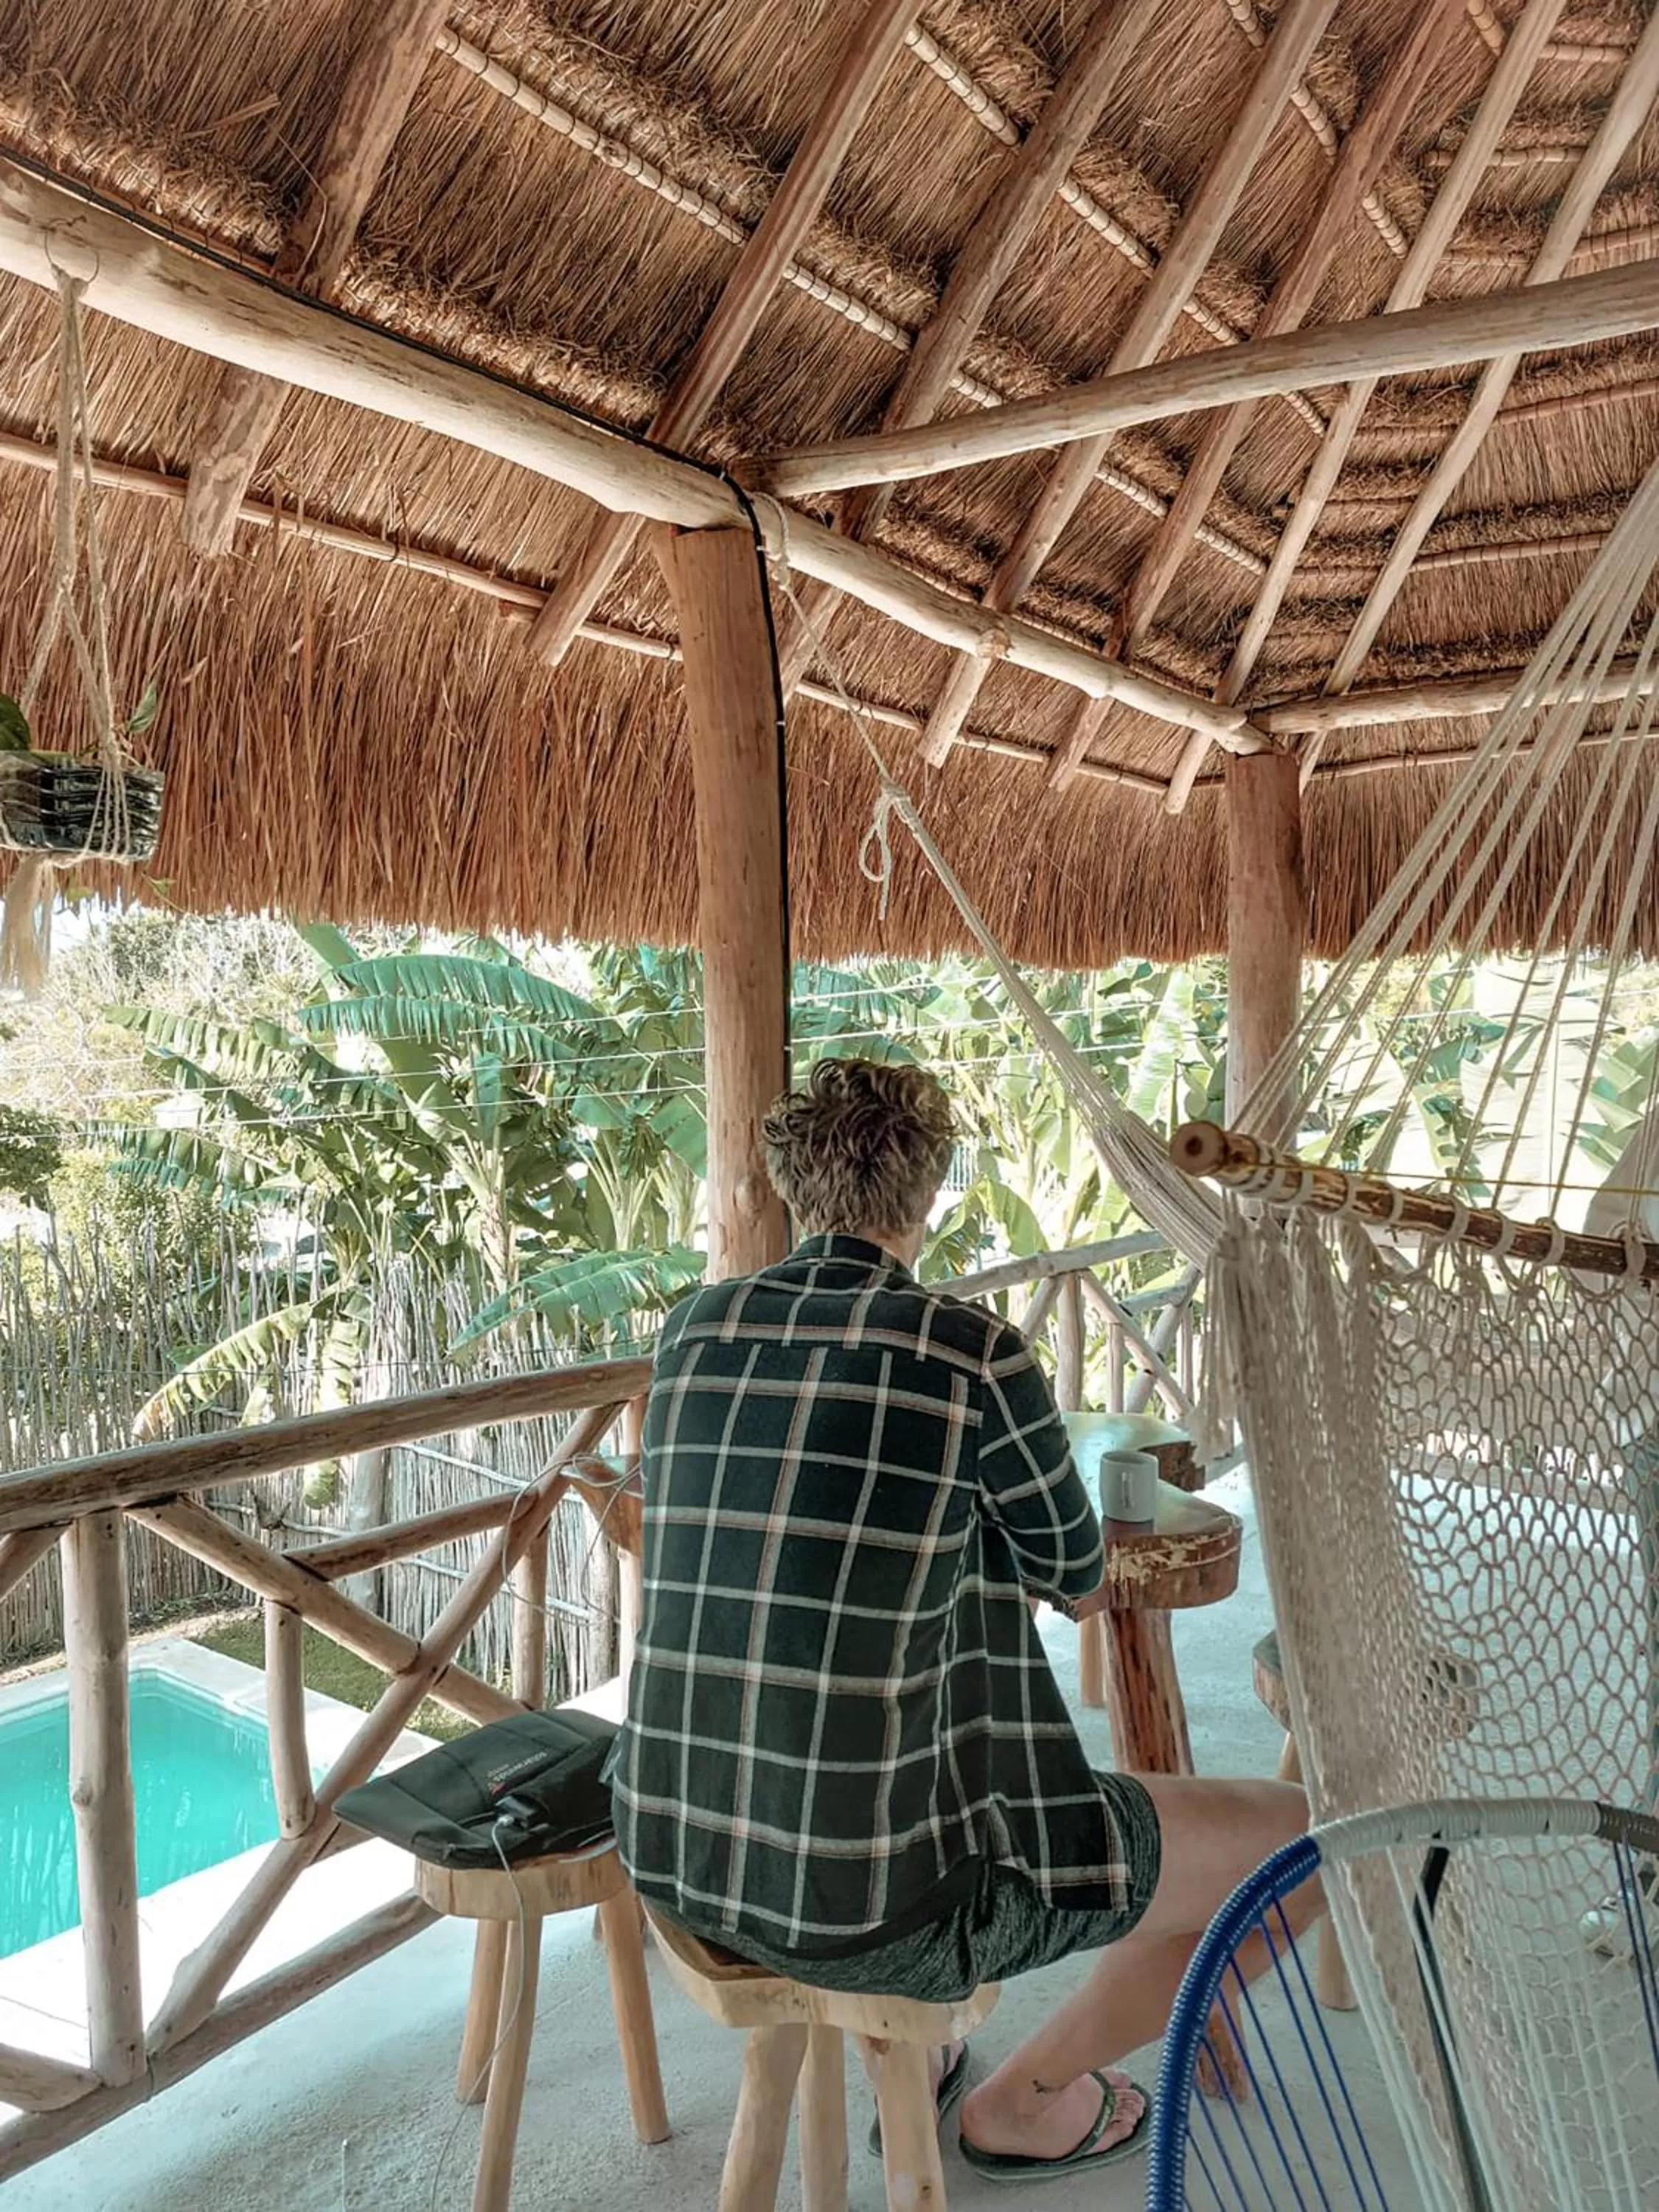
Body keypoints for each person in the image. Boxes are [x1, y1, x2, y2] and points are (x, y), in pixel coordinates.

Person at [611, 1057, 1318, 2176]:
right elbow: (1076, 1578)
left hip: (669, 1845)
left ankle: (943, 2063)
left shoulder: (692, 1331)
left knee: (862, 1738)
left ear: (794, 1188)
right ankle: (1025, 2099)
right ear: (928, 1195)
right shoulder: (969, 1349)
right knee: (1301, 1842)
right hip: (866, 1908)